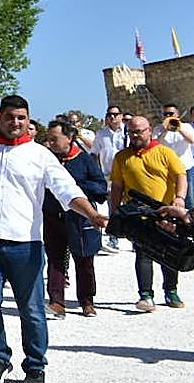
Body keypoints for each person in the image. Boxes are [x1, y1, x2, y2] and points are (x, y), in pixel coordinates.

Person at [0, 95, 104, 383]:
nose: (15, 122)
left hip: (24, 245)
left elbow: (66, 189)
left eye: (21, 118)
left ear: (28, 120)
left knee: (31, 309)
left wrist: (92, 213)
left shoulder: (40, 155)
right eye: (9, 117)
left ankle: (35, 364)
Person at [111, 116, 188, 311]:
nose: (135, 135)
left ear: (149, 130)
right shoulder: (122, 157)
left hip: (165, 210)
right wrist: (114, 209)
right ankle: (145, 295)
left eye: (139, 131)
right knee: (143, 252)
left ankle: (171, 291)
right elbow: (117, 185)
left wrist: (179, 198)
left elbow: (180, 176)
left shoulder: (164, 152)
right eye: (131, 132)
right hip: (137, 213)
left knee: (169, 252)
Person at [41, 120, 106, 318]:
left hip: (80, 218)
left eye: (54, 139)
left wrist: (73, 186)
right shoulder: (46, 159)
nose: (50, 143)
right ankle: (56, 302)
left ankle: (87, 301)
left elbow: (101, 188)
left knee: (84, 259)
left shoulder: (85, 160)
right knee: (55, 259)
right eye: (48, 139)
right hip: (53, 216)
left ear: (69, 138)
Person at [92, 105, 128, 251]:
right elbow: (94, 153)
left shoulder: (127, 132)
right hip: (109, 174)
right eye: (109, 115)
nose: (112, 117)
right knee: (113, 205)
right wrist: (96, 172)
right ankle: (114, 237)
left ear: (121, 116)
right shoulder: (101, 134)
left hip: (127, 173)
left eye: (115, 114)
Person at [154, 103, 194, 210]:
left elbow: (192, 140)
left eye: (171, 114)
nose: (168, 116)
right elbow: (155, 144)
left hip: (185, 167)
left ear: (177, 114)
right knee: (169, 196)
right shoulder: (158, 129)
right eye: (165, 114)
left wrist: (179, 128)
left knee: (189, 198)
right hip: (167, 169)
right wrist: (165, 130)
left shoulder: (187, 126)